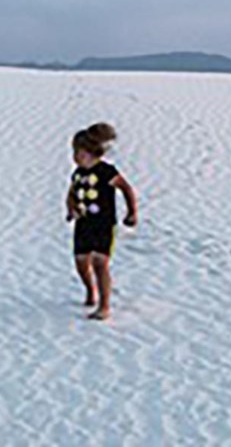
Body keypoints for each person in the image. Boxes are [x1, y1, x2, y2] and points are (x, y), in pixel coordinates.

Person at [65, 122, 139, 320]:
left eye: (79, 153)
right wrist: (70, 209)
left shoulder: (106, 171)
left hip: (104, 225)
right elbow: (72, 192)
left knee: (100, 263)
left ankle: (104, 306)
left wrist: (132, 213)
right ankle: (91, 291)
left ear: (92, 153)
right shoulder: (78, 173)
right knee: (81, 263)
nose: (75, 157)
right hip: (83, 224)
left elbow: (126, 189)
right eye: (74, 153)